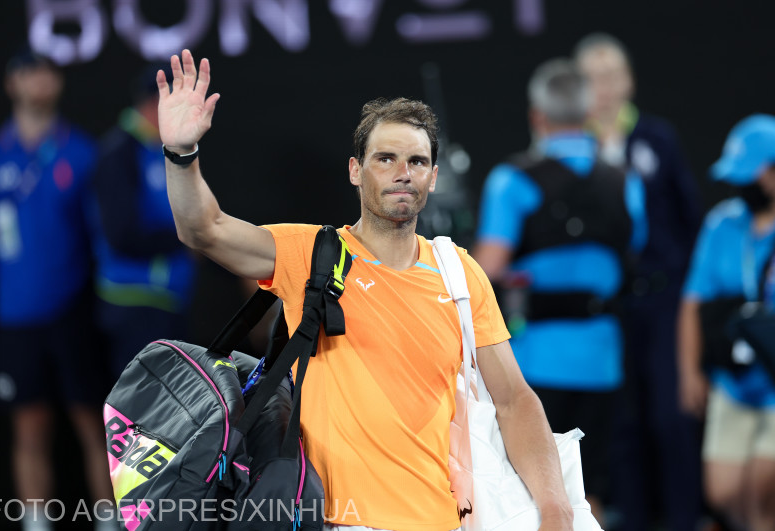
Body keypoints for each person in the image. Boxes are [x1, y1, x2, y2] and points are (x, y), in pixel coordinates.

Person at [156, 49, 574, 531]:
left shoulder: (459, 272)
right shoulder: (312, 252)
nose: (403, 172)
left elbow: (515, 400)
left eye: (417, 161)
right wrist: (181, 154)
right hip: (336, 521)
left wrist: (556, 509)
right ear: (356, 170)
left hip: (440, 522)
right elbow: (203, 229)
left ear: (433, 178)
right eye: (386, 158)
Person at [472, 58, 647, 526]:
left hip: (532, 368)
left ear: (538, 117)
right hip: (604, 362)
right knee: (593, 489)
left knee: (535, 489)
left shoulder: (513, 181)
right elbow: (632, 253)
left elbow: (487, 269)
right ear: (588, 112)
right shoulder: (626, 182)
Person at [0, 50, 114, 530]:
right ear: (12, 84)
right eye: (29, 71)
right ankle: (36, 525)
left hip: (74, 313)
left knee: (95, 426)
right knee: (29, 428)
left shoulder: (81, 152)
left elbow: (99, 234)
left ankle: (109, 521)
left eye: (48, 71)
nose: (41, 79)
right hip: (15, 317)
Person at [574, 33, 704, 531]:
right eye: (591, 78)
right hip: (609, 306)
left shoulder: (657, 138)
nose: (603, 88)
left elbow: (688, 217)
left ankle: (684, 519)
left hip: (665, 298)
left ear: (627, 81)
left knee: (670, 418)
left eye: (611, 76)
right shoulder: (572, 148)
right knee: (620, 422)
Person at [678, 114, 775, 531]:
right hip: (732, 380)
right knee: (722, 493)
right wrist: (689, 372)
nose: (740, 186)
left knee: (760, 492)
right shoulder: (721, 224)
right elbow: (692, 304)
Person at [90, 65, 196, 379]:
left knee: (164, 411)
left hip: (164, 301)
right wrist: (186, 240)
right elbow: (121, 234)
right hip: (133, 302)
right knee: (141, 412)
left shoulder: (160, 150)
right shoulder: (119, 153)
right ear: (157, 103)